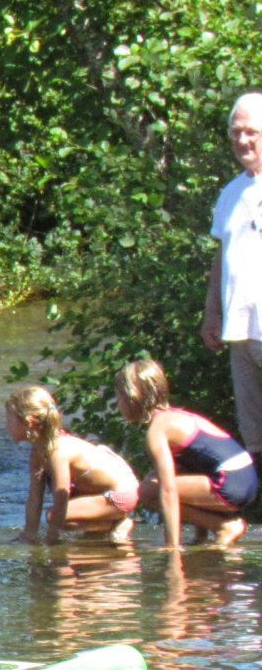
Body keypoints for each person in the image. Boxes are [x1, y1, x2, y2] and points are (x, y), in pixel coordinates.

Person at [114, 358, 256, 549]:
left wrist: (172, 547)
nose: (117, 405)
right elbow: (193, 467)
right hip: (247, 479)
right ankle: (204, 532)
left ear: (133, 397)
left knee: (148, 491)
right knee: (155, 477)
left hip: (232, 484)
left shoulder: (158, 430)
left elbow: (168, 489)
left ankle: (224, 526)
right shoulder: (176, 415)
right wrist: (199, 534)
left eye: (119, 398)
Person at [203, 92, 262, 457]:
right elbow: (222, 257)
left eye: (252, 132)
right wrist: (211, 312)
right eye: (235, 132)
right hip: (240, 332)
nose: (242, 140)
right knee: (255, 435)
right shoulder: (231, 192)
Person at [4, 385, 138, 544]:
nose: (7, 425)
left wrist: (51, 538)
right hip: (100, 491)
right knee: (60, 517)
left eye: (9, 420)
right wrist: (29, 534)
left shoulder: (57, 452)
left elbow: (61, 496)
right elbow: (34, 498)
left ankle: (114, 525)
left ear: (28, 423)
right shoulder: (38, 452)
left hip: (122, 493)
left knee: (53, 516)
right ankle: (104, 527)